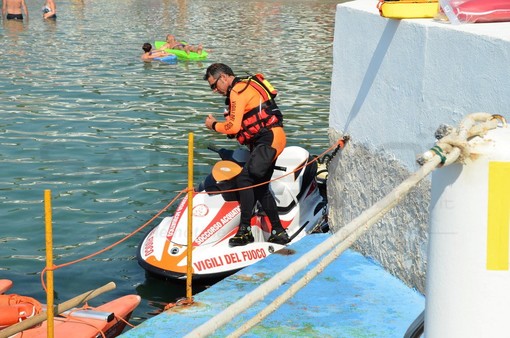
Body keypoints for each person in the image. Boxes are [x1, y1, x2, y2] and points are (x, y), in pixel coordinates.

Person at [204, 63, 290, 247]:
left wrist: (213, 125)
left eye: (214, 85)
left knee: (245, 179)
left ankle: (245, 230)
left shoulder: (238, 91)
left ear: (224, 77)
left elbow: (232, 127)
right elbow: (240, 126)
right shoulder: (245, 86)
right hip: (269, 139)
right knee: (260, 186)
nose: (214, 90)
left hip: (269, 139)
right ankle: (278, 232)